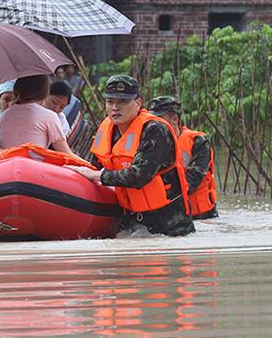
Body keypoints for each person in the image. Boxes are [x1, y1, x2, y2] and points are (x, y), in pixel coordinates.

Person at [67, 75, 195, 236]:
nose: (115, 107)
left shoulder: (155, 130)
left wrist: (96, 175)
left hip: (169, 226)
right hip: (131, 220)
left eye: (122, 101)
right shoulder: (108, 128)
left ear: (138, 103)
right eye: (110, 101)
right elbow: (94, 166)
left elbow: (139, 176)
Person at [149, 96, 218, 219]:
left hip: (200, 217)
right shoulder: (149, 143)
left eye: (158, 119)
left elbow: (192, 181)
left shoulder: (199, 142)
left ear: (174, 119)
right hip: (168, 214)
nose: (153, 124)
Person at [0, 74, 75, 155]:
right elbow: (66, 153)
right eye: (54, 102)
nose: (56, 108)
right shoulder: (49, 116)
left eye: (62, 107)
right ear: (45, 94)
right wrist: (87, 165)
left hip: (5, 165)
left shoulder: (2, 117)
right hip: (32, 166)